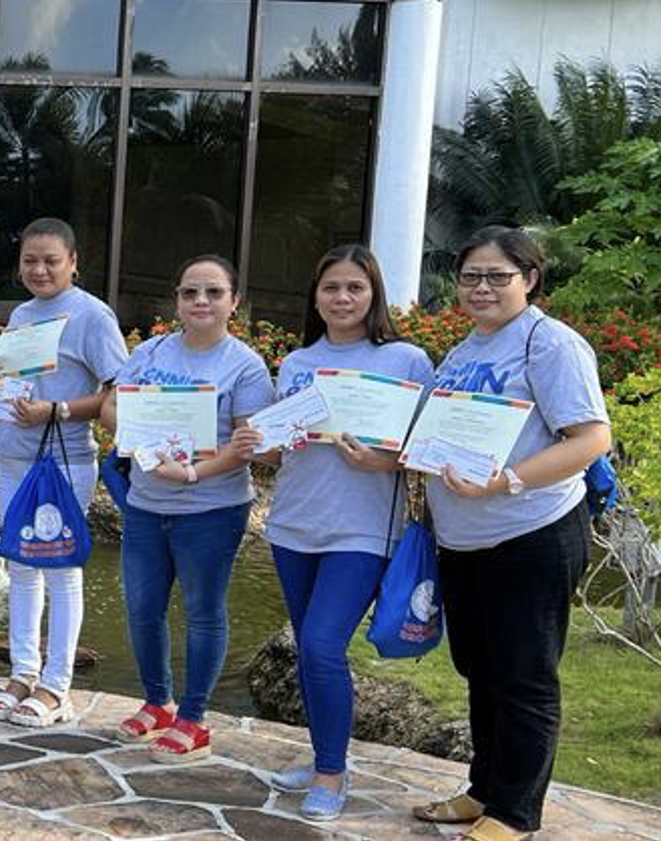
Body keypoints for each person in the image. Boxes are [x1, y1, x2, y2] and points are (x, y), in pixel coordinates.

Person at [411, 227, 610, 841]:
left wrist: (505, 484)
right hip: (465, 539)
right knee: (482, 669)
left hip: (532, 532)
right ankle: (484, 791)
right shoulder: (467, 348)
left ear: (529, 279)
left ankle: (516, 813)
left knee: (524, 674)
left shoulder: (550, 345)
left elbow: (590, 439)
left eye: (498, 276)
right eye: (471, 276)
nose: (482, 288)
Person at [259, 245, 434, 820]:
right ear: (315, 296)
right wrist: (268, 439)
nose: (342, 298)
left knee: (320, 645)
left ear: (373, 295)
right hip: (293, 522)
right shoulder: (297, 363)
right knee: (310, 654)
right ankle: (321, 756)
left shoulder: (407, 360)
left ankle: (332, 776)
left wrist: (389, 462)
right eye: (331, 288)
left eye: (354, 288)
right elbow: (282, 440)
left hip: (361, 529)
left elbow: (429, 445)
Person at [99, 254, 272, 761]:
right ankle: (157, 703)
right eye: (190, 292)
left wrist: (193, 471)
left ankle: (194, 718)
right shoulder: (151, 352)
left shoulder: (244, 365)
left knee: (202, 611)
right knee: (142, 607)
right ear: (176, 299)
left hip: (212, 507)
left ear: (233, 302)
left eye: (213, 292)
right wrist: (139, 441)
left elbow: (248, 445)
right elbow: (111, 405)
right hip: (146, 503)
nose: (200, 301)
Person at [0, 218, 128, 728]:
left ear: (73, 262)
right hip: (15, 457)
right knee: (21, 566)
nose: (39, 270)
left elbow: (117, 391)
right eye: (30, 260)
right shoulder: (22, 313)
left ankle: (56, 687)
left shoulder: (92, 315)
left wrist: (58, 410)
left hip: (64, 459)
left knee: (61, 571)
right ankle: (23, 672)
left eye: (50, 260)